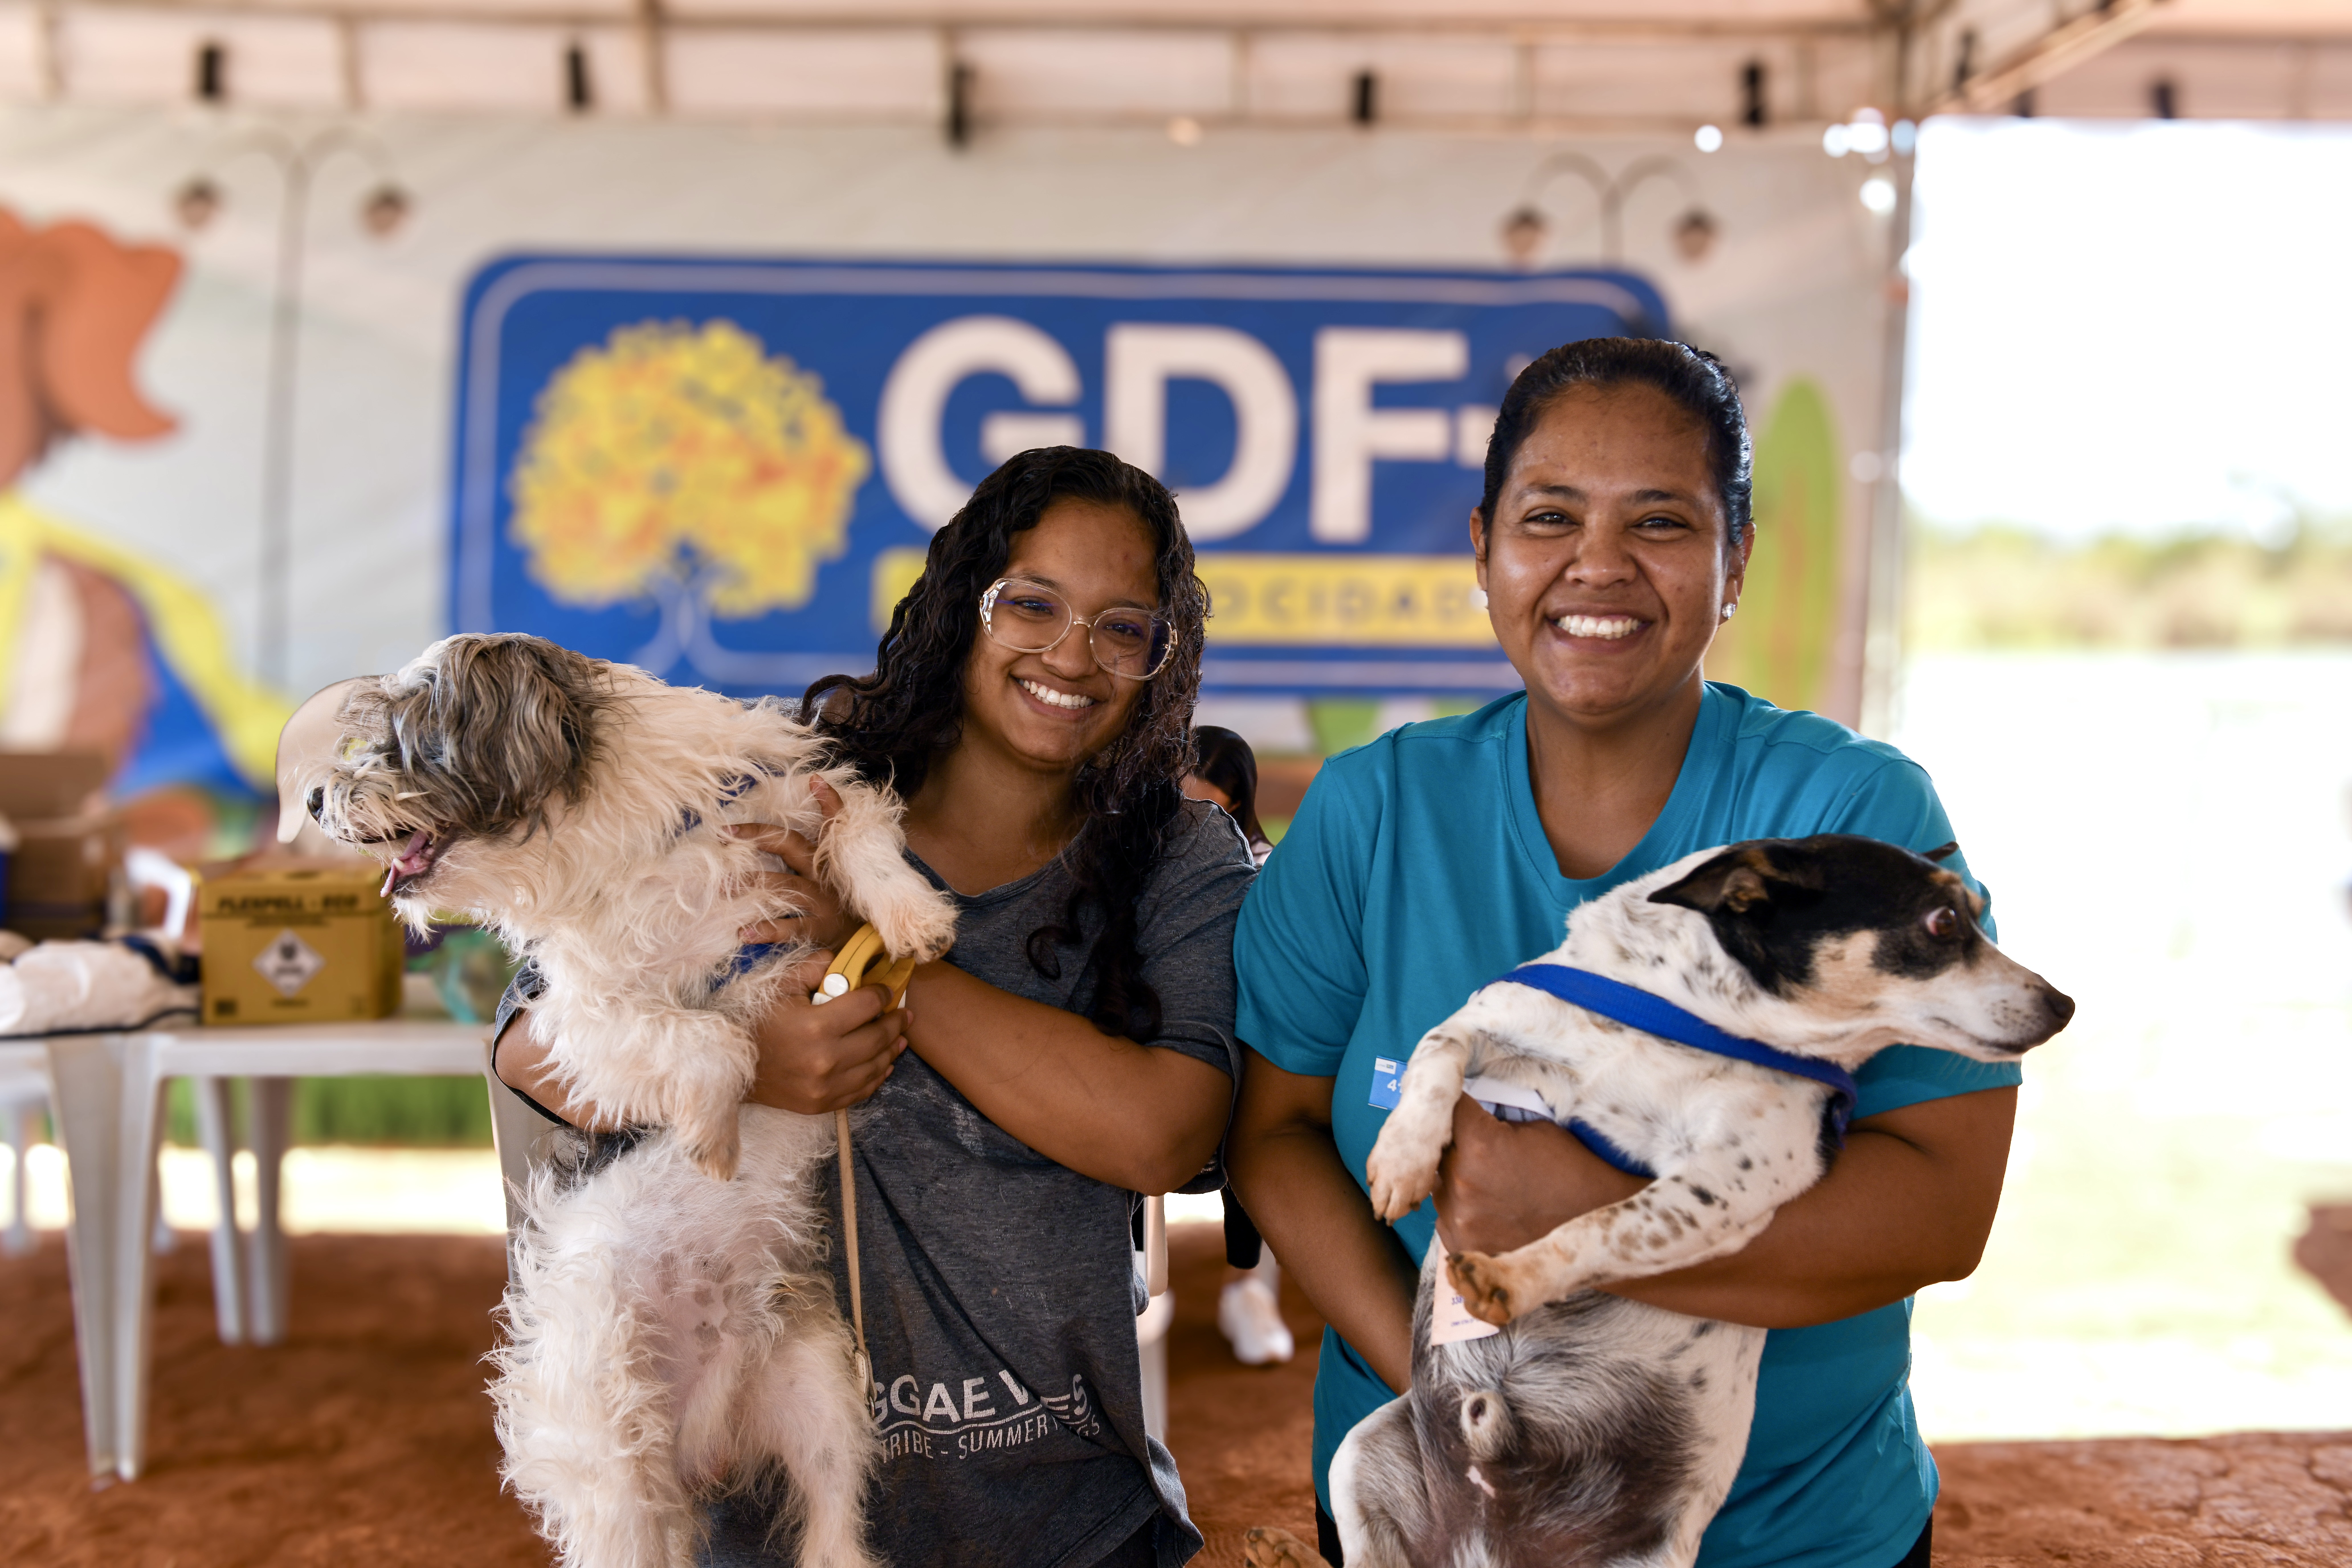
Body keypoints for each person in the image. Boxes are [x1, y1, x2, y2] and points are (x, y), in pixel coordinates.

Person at [1225, 337, 2016, 1568]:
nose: (1599, 564)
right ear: (1484, 546)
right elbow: (1269, 1130)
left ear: (1735, 557)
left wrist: (1579, 1212)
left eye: (1661, 521)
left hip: (1784, 1535)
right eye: (1550, 517)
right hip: (1438, 1521)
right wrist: (1456, 1385)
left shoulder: (1853, 818)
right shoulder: (1373, 809)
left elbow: (1942, 1208)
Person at [494, 446, 1256, 1568]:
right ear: (962, 607)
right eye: (1032, 603)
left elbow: (1166, 1130)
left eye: (1123, 626)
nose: (1071, 655)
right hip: (771, 1528)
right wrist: (748, 1058)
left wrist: (877, 957)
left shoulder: (1183, 856)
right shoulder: (793, 794)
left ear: (1160, 658)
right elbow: (529, 1041)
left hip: (1069, 1522)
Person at [1180, 726, 1291, 1367]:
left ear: (1239, 806)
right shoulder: (1133, 857)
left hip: (1240, 1037)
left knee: (1258, 1133)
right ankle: (1129, 1282)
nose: (1192, 825)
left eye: (1209, 812)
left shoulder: (1267, 868)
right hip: (1162, 1037)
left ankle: (1248, 1288)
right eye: (1180, 807)